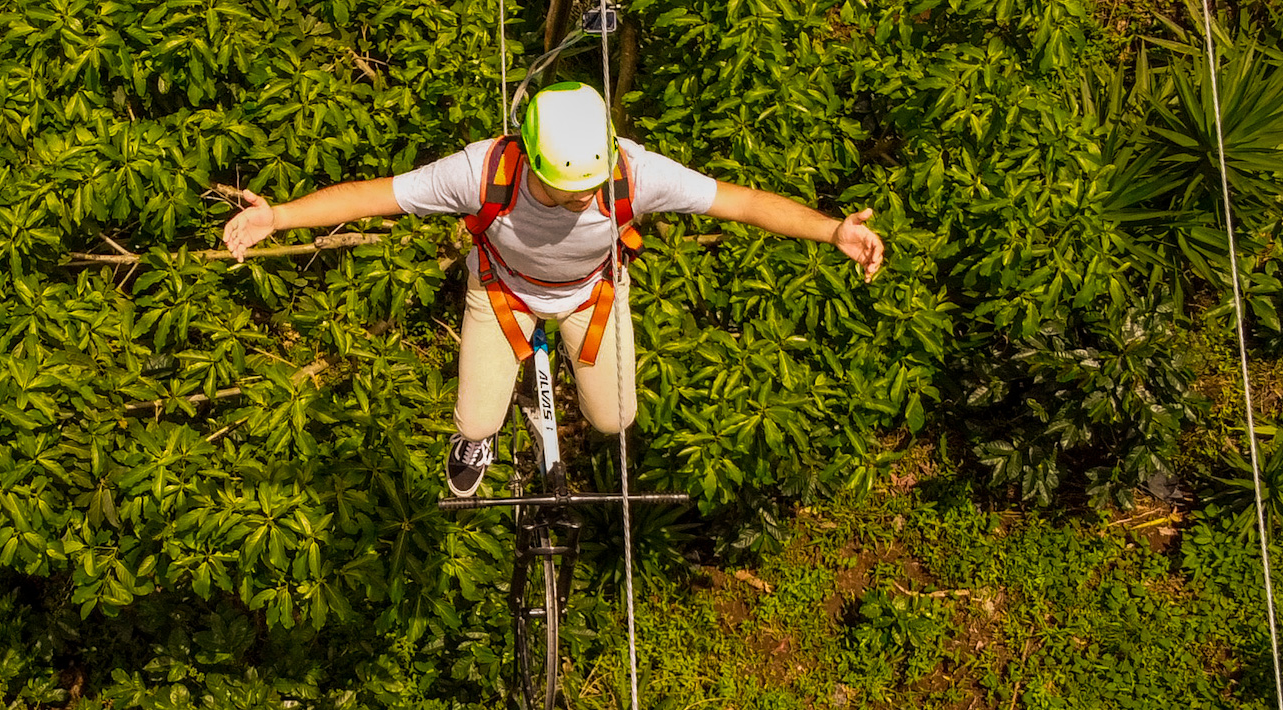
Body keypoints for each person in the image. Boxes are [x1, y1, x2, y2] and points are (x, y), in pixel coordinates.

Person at [221, 82, 885, 497]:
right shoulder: (479, 171)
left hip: (592, 295)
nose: (575, 202)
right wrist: (276, 217)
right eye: (559, 190)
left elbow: (737, 202)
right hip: (503, 295)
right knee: (476, 420)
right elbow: (377, 196)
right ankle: (480, 436)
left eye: (587, 190)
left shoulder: (633, 171)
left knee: (613, 420)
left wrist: (832, 232)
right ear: (527, 158)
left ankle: (544, 404)